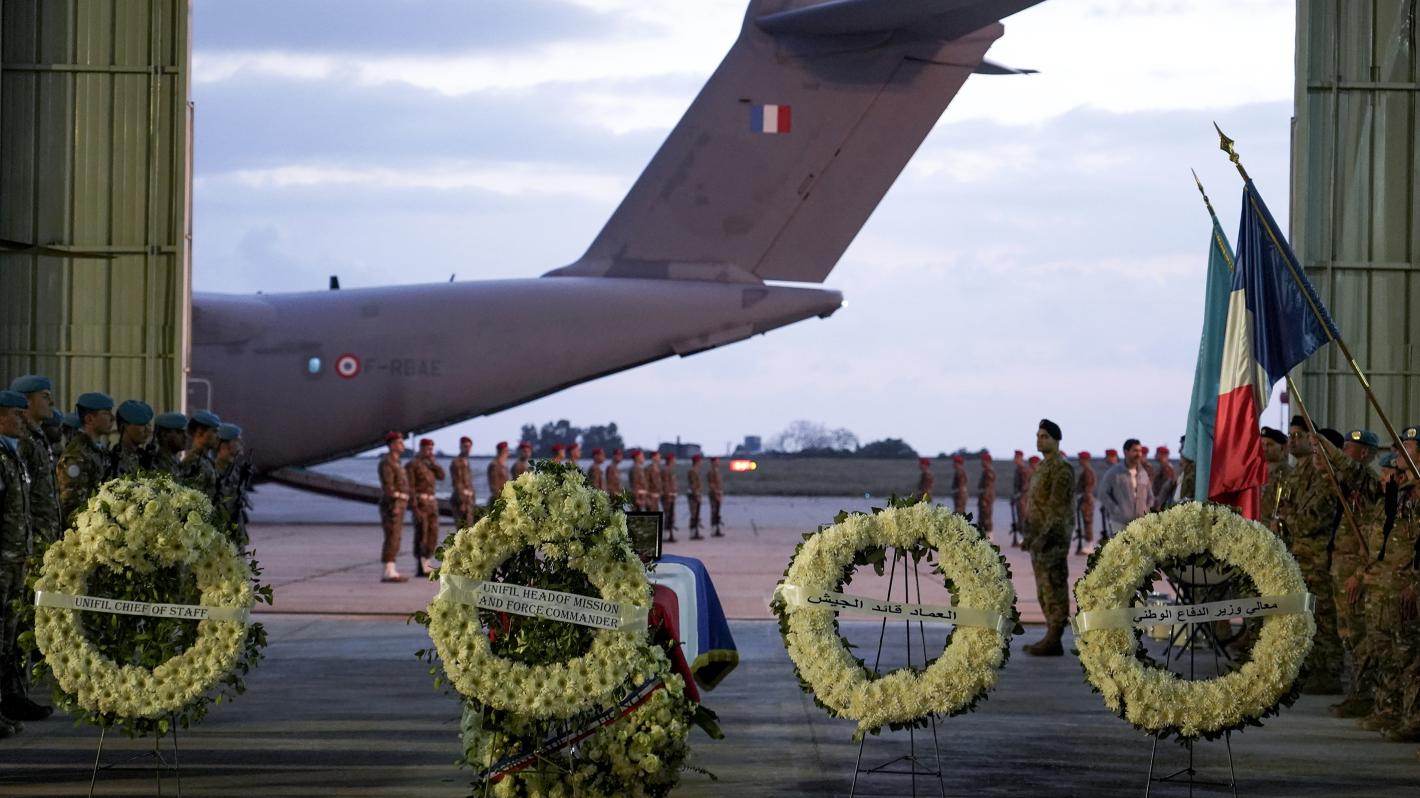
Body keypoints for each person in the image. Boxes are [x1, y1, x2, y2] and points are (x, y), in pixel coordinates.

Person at [1275, 415, 1343, 695]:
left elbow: (1313, 519)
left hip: (1317, 555)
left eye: (1298, 435)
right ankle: (1312, 668)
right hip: (1300, 552)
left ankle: (1329, 672)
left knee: (1323, 616)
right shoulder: (1297, 473)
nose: (1292, 440)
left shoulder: (1325, 478)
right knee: (1306, 614)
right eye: (1290, 435)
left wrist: (1286, 519)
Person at [0, 390, 51, 732]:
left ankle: (8, 705)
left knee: (8, 638)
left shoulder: (11, 455)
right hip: (3, 562)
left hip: (16, 560)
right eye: (16, 415)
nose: (23, 420)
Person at [1324, 428, 1382, 714]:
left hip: (1355, 571)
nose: (1346, 451)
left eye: (1351, 448)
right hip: (1341, 566)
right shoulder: (1347, 483)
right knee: (1348, 633)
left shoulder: (1369, 479)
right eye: (1344, 446)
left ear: (1367, 454)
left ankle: (1364, 695)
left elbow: (1373, 540)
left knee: (1360, 635)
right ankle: (1357, 692)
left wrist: (1360, 574)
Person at [1023, 419, 1075, 656]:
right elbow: (1035, 504)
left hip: (1053, 539)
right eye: (1038, 436)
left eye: (1044, 436)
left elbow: (1057, 508)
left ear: (1056, 440)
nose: (1039, 440)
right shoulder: (1042, 467)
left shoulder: (1061, 469)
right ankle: (1050, 635)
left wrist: (1044, 536)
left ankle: (1055, 636)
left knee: (1053, 586)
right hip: (1039, 538)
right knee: (1043, 588)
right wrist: (1029, 534)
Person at [9, 376, 60, 547]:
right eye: (45, 396)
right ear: (27, 401)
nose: (51, 402)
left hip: (45, 537)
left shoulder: (38, 437)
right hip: (32, 540)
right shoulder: (23, 440)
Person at [56, 392, 115, 526]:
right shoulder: (77, 455)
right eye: (106, 413)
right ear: (89, 419)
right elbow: (71, 507)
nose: (112, 418)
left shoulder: (98, 450)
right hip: (88, 534)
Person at [406, 438, 445, 577]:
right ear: (421, 448)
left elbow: (442, 476)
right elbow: (410, 488)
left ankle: (427, 563)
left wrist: (434, 463)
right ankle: (421, 566)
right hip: (421, 503)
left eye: (431, 449)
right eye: (427, 449)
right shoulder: (412, 464)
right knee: (422, 535)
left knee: (433, 535)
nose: (430, 451)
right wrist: (414, 507)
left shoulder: (430, 465)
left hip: (432, 504)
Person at [1097, 439, 1151, 536]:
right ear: (1126, 452)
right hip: (1120, 522)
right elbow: (1102, 493)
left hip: (1140, 522)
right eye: (1135, 451)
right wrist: (1115, 510)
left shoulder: (1143, 473)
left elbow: (1150, 495)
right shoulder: (1114, 472)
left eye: (1140, 451)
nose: (1138, 454)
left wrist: (1146, 510)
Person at [378, 433, 412, 582]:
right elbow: (389, 488)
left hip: (400, 503)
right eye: (399, 443)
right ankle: (388, 571)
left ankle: (391, 569)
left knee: (396, 537)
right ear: (392, 445)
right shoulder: (387, 462)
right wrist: (396, 505)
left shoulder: (397, 462)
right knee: (392, 537)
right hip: (393, 505)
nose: (403, 446)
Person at [213, 423, 250, 546]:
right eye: (237, 441)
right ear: (224, 445)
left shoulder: (234, 470)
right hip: (221, 533)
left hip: (236, 533)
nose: (241, 444)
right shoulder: (214, 471)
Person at [179, 410, 222, 503]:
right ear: (200, 432)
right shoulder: (193, 462)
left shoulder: (205, 459)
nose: (218, 437)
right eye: (214, 432)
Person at [110, 399, 155, 477]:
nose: (148, 430)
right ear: (123, 427)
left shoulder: (145, 457)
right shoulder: (113, 460)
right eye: (141, 424)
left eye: (149, 425)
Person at [1258, 427, 1290, 528]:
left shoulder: (1289, 474)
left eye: (1270, 444)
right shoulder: (1256, 473)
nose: (1265, 449)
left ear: (1282, 447)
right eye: (1262, 445)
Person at [449, 436, 476, 528]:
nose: (467, 449)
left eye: (469, 447)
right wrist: (462, 502)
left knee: (469, 530)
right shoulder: (456, 462)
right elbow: (457, 483)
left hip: (469, 501)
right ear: (460, 447)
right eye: (465, 446)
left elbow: (468, 483)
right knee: (462, 530)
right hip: (460, 501)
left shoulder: (466, 462)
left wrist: (472, 498)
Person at [152, 412, 189, 478]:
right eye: (179, 432)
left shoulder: (176, 461)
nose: (185, 436)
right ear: (164, 435)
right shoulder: (157, 464)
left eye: (185, 432)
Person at [1076, 451, 1097, 544]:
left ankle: (1089, 542)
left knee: (1087, 521)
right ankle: (1087, 542)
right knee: (1086, 521)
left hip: (1087, 500)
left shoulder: (1087, 471)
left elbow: (1088, 487)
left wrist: (1082, 495)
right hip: (1085, 499)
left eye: (1080, 459)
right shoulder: (1086, 470)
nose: (1079, 460)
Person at [1150, 445, 1177, 510]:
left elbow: (1166, 489)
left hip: (1162, 505)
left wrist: (1158, 502)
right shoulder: (1162, 467)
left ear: (1162, 455)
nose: (1155, 455)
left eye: (1157, 453)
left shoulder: (1168, 469)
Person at [1010, 450, 1027, 546]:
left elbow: (1025, 486)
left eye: (1016, 458)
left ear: (1020, 458)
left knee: (1023, 518)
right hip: (1019, 497)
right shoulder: (1017, 470)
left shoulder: (1023, 470)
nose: (1014, 460)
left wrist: (1017, 495)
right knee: (1020, 518)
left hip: (1023, 498)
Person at [977, 450, 996, 532]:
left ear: (987, 461)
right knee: (982, 518)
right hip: (984, 498)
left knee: (986, 518)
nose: (981, 462)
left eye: (983, 460)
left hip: (986, 499)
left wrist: (984, 500)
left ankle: (989, 538)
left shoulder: (988, 472)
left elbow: (987, 488)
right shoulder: (986, 471)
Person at [662, 453, 679, 541]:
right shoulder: (666, 470)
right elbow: (665, 484)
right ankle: (667, 535)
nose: (675, 461)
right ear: (670, 460)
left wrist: (674, 492)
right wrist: (669, 494)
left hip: (671, 495)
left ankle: (670, 534)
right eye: (674, 459)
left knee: (671, 515)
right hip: (668, 496)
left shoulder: (670, 469)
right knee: (668, 514)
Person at [687, 453, 704, 539]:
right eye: (700, 460)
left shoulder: (697, 471)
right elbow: (693, 484)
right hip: (693, 495)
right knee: (694, 514)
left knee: (697, 514)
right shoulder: (692, 471)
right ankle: (693, 533)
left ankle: (696, 531)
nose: (701, 462)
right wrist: (696, 494)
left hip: (697, 494)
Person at [708, 455, 724, 536]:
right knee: (714, 512)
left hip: (718, 494)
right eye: (717, 461)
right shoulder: (711, 472)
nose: (718, 462)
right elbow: (711, 484)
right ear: (713, 462)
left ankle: (717, 529)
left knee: (717, 512)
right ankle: (713, 530)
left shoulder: (717, 471)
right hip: (714, 494)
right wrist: (716, 493)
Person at [646, 450, 664, 516]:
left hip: (657, 496)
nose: (660, 458)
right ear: (653, 458)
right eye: (658, 456)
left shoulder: (658, 469)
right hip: (651, 496)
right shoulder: (649, 468)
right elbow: (646, 483)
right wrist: (648, 496)